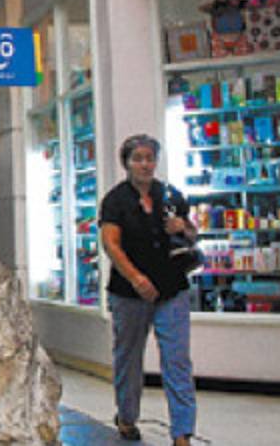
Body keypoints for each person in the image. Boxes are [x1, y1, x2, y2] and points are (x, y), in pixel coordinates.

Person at [100, 134, 196, 446]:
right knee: (129, 358)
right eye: (138, 159)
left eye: (150, 158)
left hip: (172, 288)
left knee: (177, 359)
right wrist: (135, 278)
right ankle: (127, 417)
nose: (145, 164)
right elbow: (110, 244)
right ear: (127, 163)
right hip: (129, 293)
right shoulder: (116, 201)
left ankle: (182, 432)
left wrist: (184, 228)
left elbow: (193, 234)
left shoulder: (170, 194)